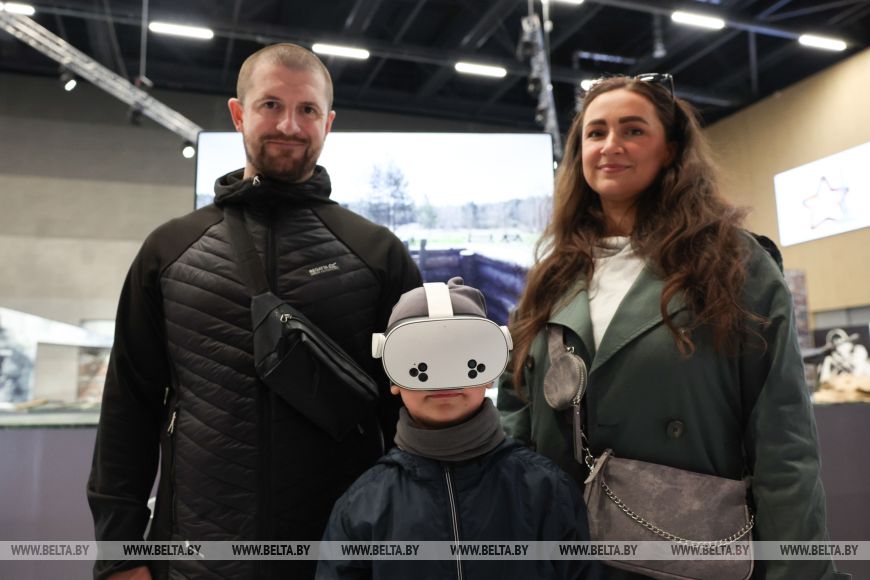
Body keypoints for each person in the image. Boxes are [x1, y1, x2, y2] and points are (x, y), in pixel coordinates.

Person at [87, 43, 422, 580]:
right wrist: (119, 553)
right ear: (238, 114)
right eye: (271, 105)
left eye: (307, 109)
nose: (289, 125)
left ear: (328, 123)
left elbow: (409, 415)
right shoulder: (168, 251)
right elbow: (129, 405)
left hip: (341, 558)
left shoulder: (377, 253)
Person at [497, 74, 848, 580]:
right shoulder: (551, 278)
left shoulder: (733, 263)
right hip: (566, 552)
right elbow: (517, 414)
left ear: (671, 149)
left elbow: (783, 440)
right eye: (595, 133)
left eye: (633, 130)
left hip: (688, 554)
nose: (610, 146)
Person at [317, 278, 599, 580]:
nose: (444, 380)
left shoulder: (546, 491)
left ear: (490, 371)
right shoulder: (362, 506)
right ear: (393, 378)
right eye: (419, 359)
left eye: (465, 357)